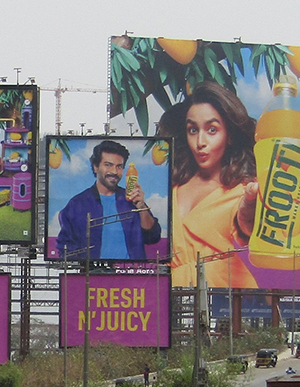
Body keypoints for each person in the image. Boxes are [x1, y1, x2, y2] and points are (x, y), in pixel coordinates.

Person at [158, 81, 259, 288]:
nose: (200, 142)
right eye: (193, 130)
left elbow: (246, 225)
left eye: (212, 130)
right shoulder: (172, 186)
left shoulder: (244, 191)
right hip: (171, 295)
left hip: (227, 296)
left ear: (229, 136)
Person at [55, 140, 160, 260]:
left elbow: (153, 237)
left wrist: (141, 207)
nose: (114, 172)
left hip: (131, 275)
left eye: (119, 166)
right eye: (108, 165)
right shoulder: (77, 204)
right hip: (93, 275)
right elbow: (65, 249)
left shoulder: (132, 200)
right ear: (95, 167)